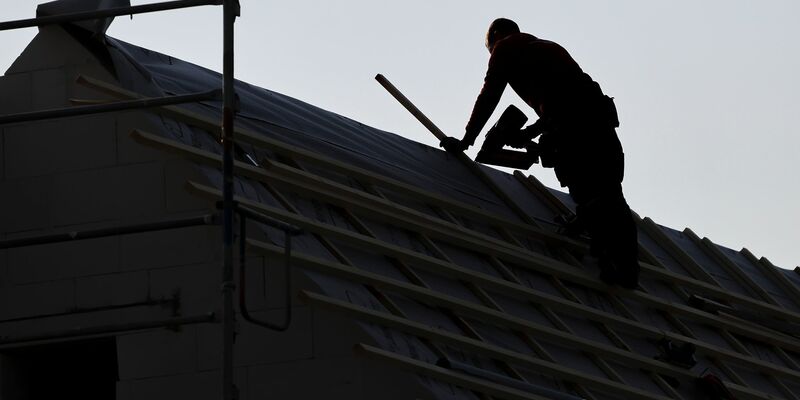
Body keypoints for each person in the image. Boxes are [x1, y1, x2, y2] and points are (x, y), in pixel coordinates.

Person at [441, 18, 639, 288]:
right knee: (610, 192)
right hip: (598, 122)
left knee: (592, 193)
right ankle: (626, 266)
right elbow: (564, 100)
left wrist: (467, 138)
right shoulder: (548, 48)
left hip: (574, 129)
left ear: (497, 36)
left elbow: (490, 93)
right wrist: (530, 134)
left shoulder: (505, 47)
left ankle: (612, 268)